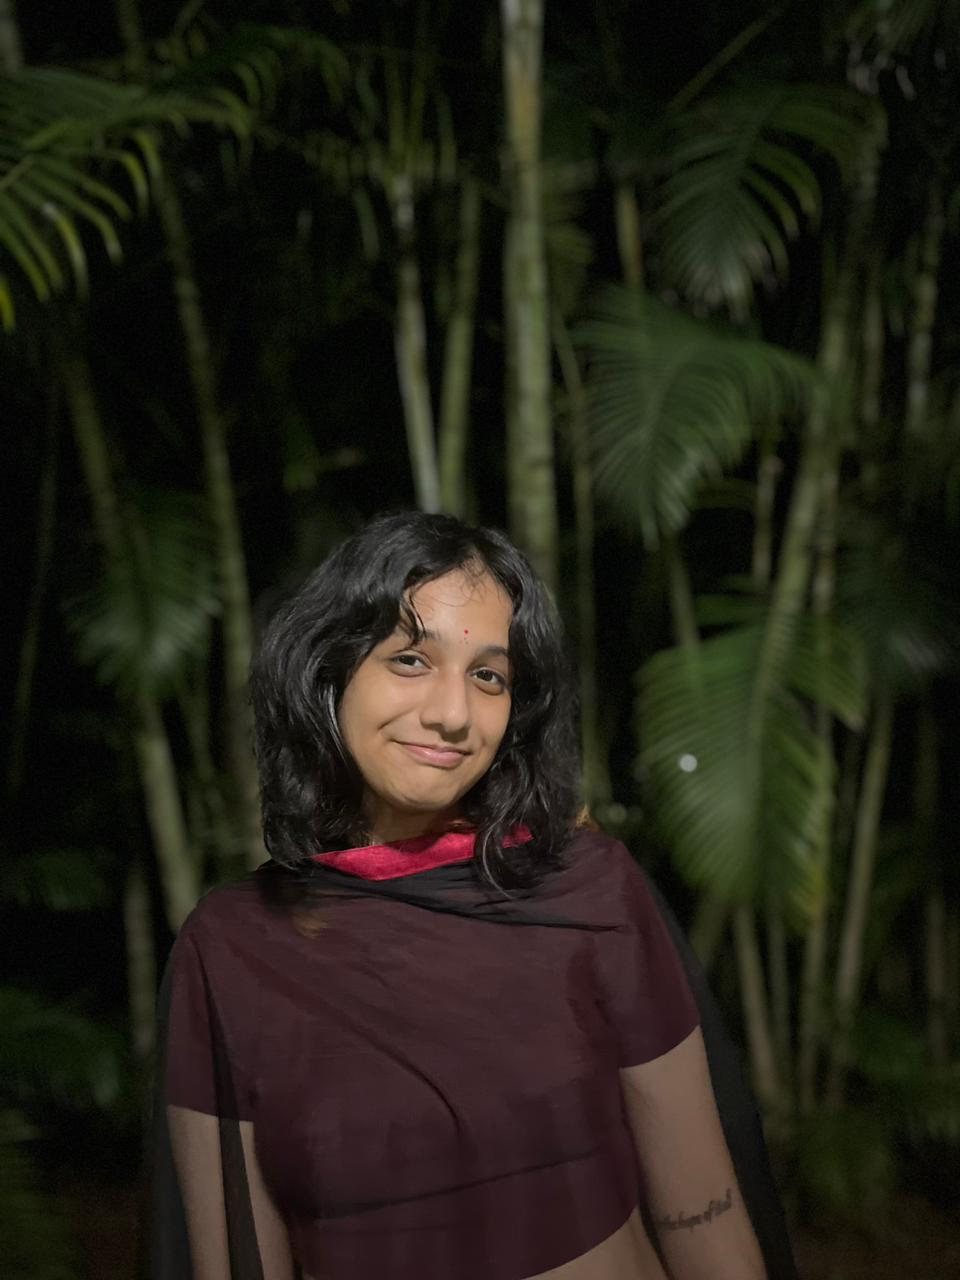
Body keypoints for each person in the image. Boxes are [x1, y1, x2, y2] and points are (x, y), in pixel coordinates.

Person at [145, 510, 798, 1280]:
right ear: (329, 672)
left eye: (489, 676)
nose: (453, 715)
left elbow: (705, 1215)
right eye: (410, 660)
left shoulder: (590, 894)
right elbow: (231, 1258)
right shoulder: (233, 951)